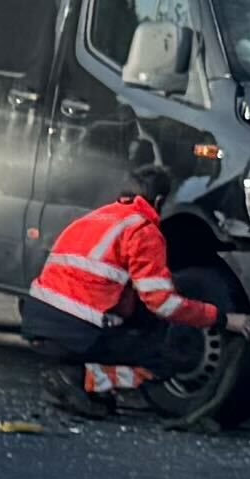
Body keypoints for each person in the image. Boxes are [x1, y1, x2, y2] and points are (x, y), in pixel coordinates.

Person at [20, 169, 233, 411]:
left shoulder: (95, 218)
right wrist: (221, 318)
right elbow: (163, 304)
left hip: (37, 320)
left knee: (132, 325)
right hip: (76, 330)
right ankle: (87, 380)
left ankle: (74, 376)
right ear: (160, 201)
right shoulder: (144, 231)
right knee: (165, 357)